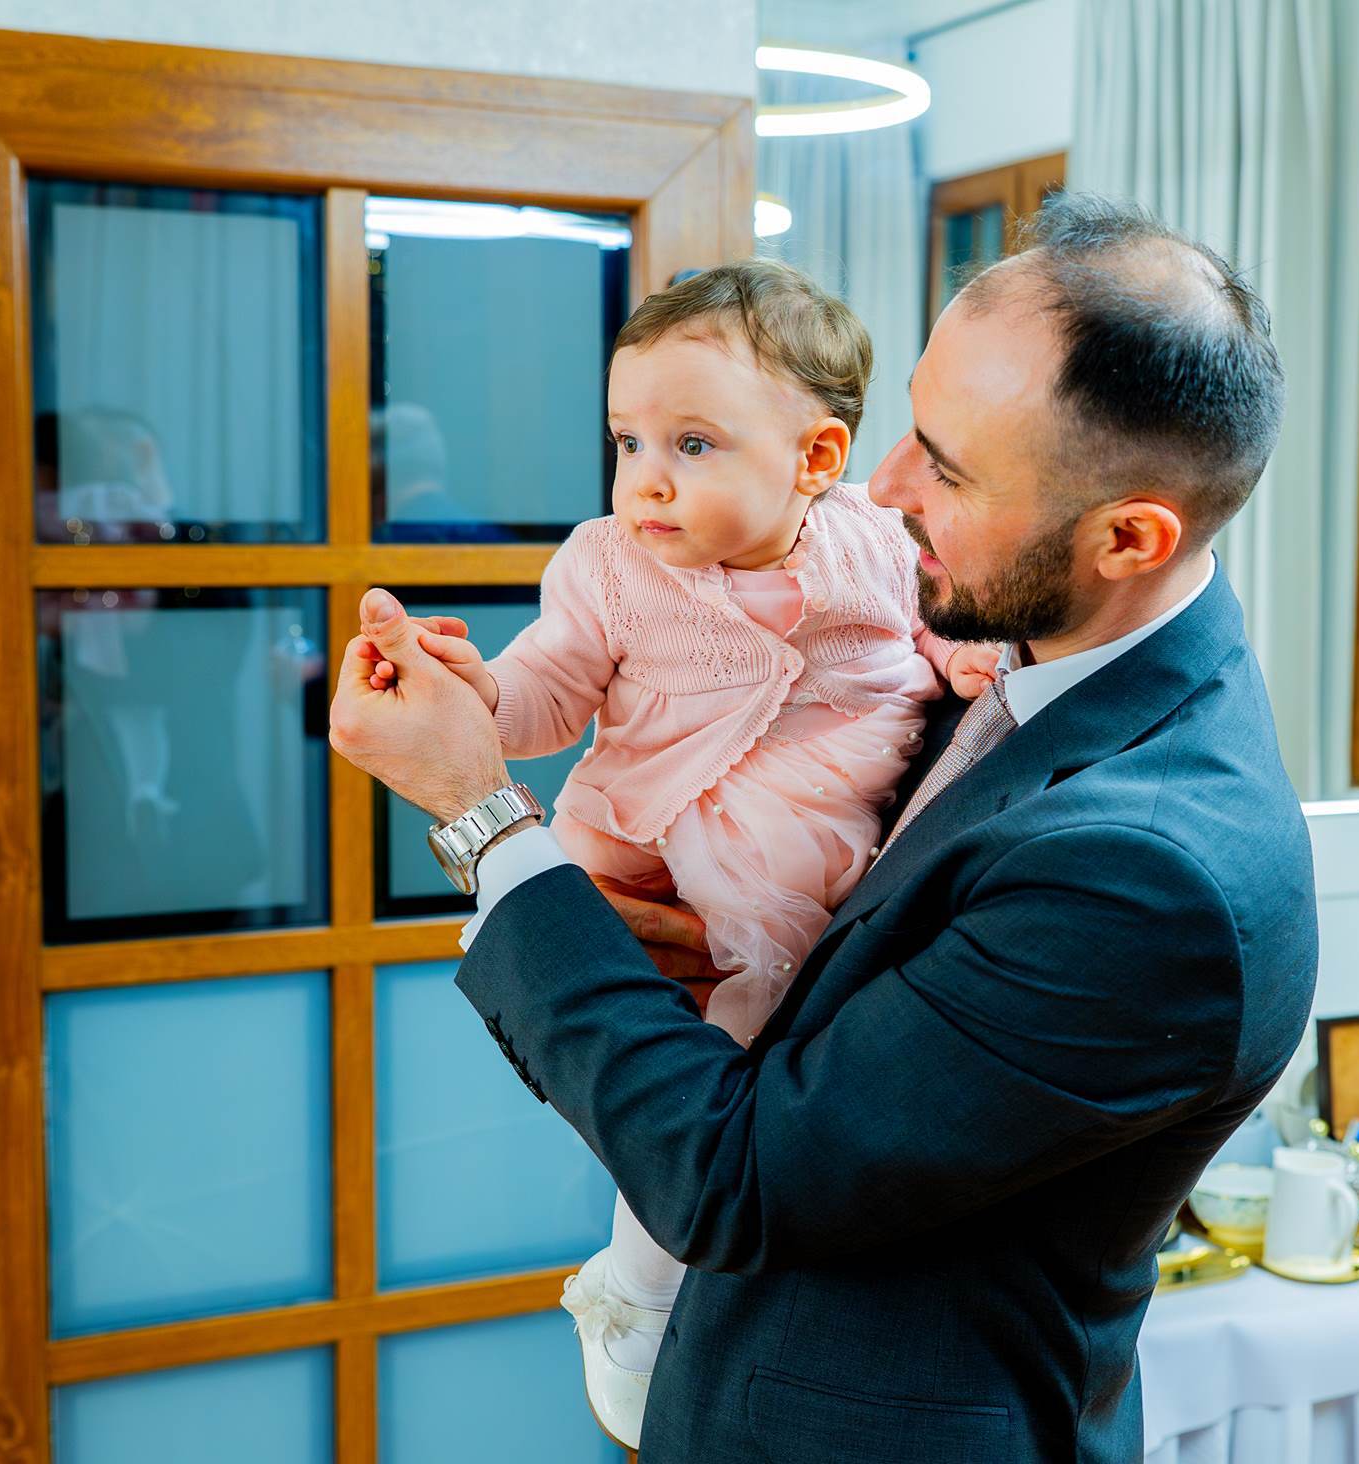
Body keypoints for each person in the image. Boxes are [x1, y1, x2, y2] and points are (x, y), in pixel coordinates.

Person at [328, 192, 1320, 1463]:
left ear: (1127, 537)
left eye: (946, 467)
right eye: (911, 425)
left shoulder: (1153, 877)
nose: (882, 484)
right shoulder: (1011, 637)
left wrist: (481, 814)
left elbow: (738, 1175)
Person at [355, 258, 997, 1445]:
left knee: (757, 1023)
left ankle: (665, 1273)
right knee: (636, 1015)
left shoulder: (875, 543)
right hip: (644, 817)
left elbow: (941, 638)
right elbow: (549, 693)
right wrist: (474, 690)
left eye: (691, 445)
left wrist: (969, 664)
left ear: (816, 458)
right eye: (627, 441)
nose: (646, 479)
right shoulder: (609, 564)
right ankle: (641, 1292)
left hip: (805, 824)